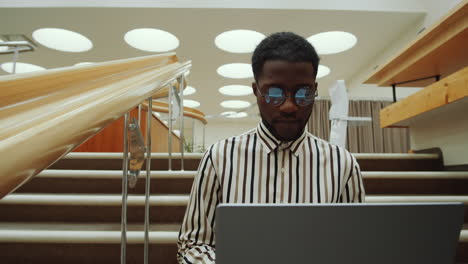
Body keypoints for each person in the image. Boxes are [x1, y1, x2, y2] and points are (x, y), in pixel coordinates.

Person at [177, 32, 365, 264]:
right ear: (256, 91)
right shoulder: (219, 158)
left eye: (303, 93)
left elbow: (353, 245)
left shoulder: (342, 164)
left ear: (315, 90)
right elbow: (194, 244)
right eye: (274, 93)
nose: (288, 106)